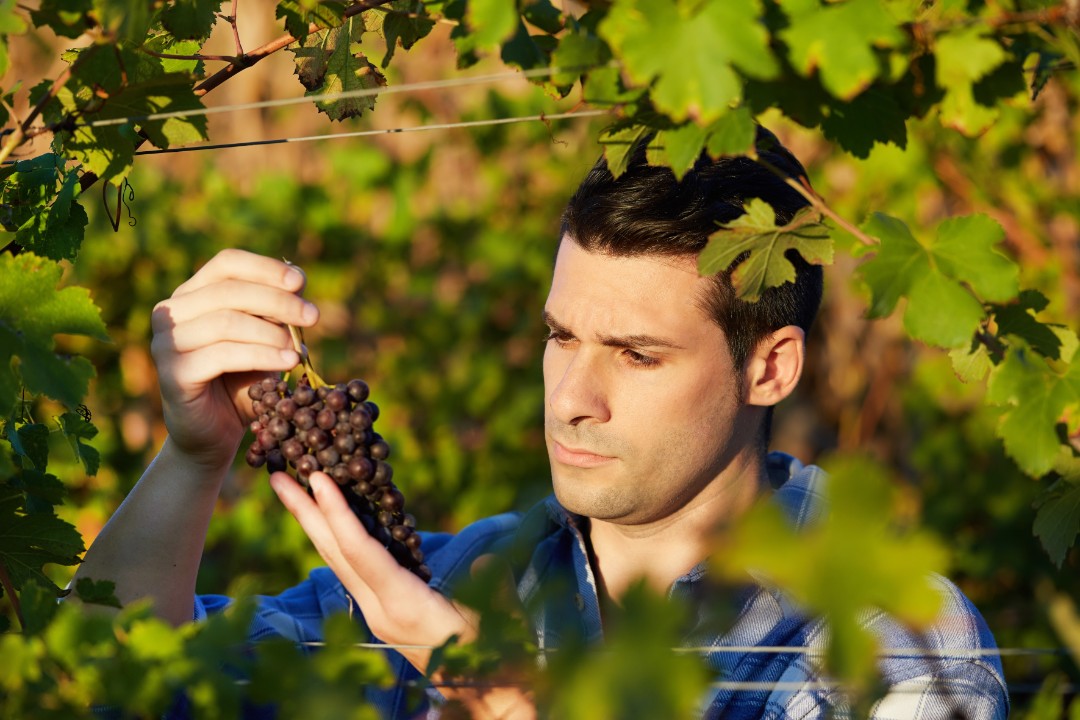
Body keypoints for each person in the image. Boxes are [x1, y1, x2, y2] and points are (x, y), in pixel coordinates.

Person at [73, 132, 1009, 719]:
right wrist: (194, 457)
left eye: (638, 355)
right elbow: (94, 684)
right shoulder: (452, 581)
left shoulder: (896, 640)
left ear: (770, 367)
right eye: (562, 337)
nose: (574, 397)